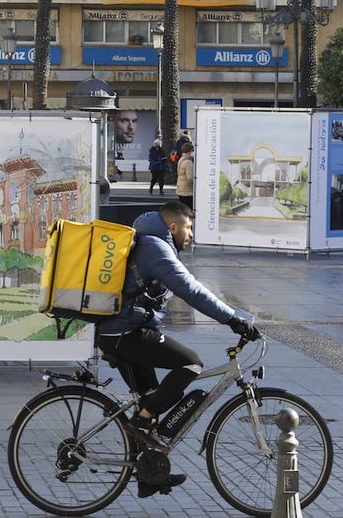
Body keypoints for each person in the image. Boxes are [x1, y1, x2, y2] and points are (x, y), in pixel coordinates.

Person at [95, 202, 259, 498]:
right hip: (125, 334)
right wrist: (234, 319)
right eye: (189, 227)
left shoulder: (149, 241)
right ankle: (141, 421)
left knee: (150, 403)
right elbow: (191, 290)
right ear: (173, 227)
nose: (191, 234)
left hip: (118, 332)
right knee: (190, 364)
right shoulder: (156, 249)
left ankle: (149, 477)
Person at [175, 142, 194, 210]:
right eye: (192, 150)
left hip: (181, 189)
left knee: (183, 211)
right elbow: (189, 178)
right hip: (187, 191)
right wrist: (194, 187)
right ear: (189, 151)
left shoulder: (181, 159)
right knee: (188, 211)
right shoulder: (188, 162)